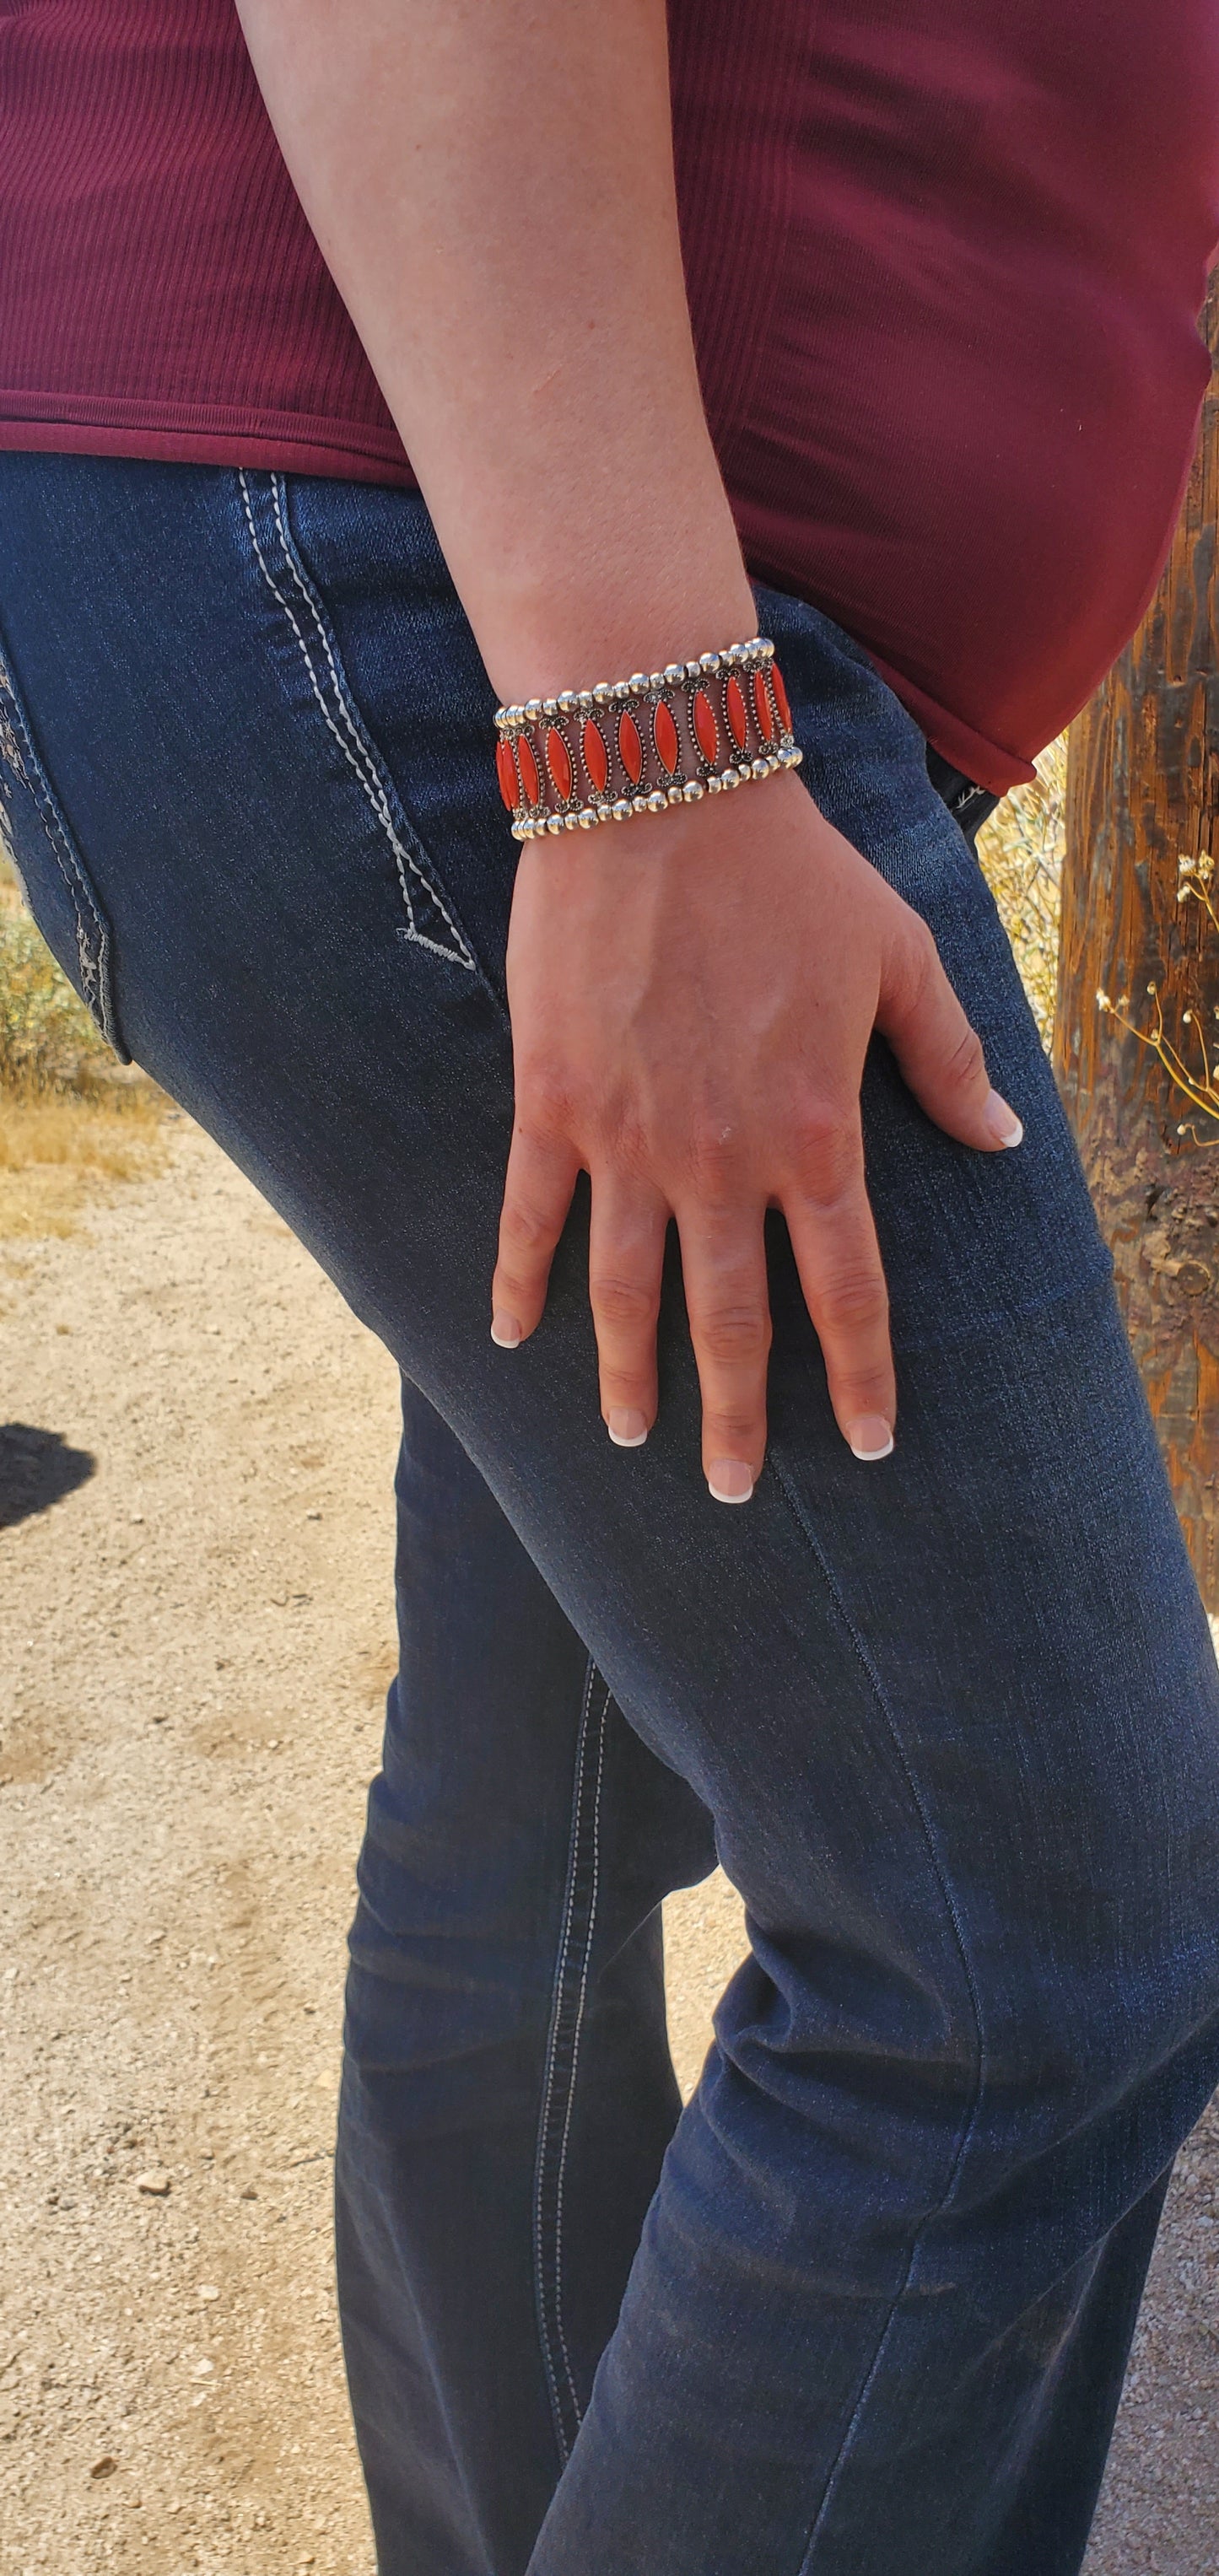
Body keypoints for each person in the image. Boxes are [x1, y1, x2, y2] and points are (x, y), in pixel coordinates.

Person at [2, 3, 1218, 2568]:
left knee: (548, 1790)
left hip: (472, 568)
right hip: (499, 583)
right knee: (1018, 1954)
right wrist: (643, 737)